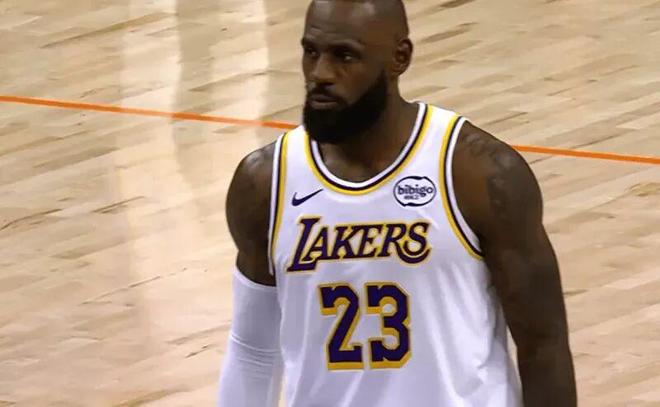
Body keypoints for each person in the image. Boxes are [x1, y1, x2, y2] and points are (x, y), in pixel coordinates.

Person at [218, 0, 577, 405]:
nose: (320, 73)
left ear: (399, 58)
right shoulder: (265, 183)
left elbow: (542, 345)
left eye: (344, 56)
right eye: (311, 52)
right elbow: (252, 350)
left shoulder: (477, 173)